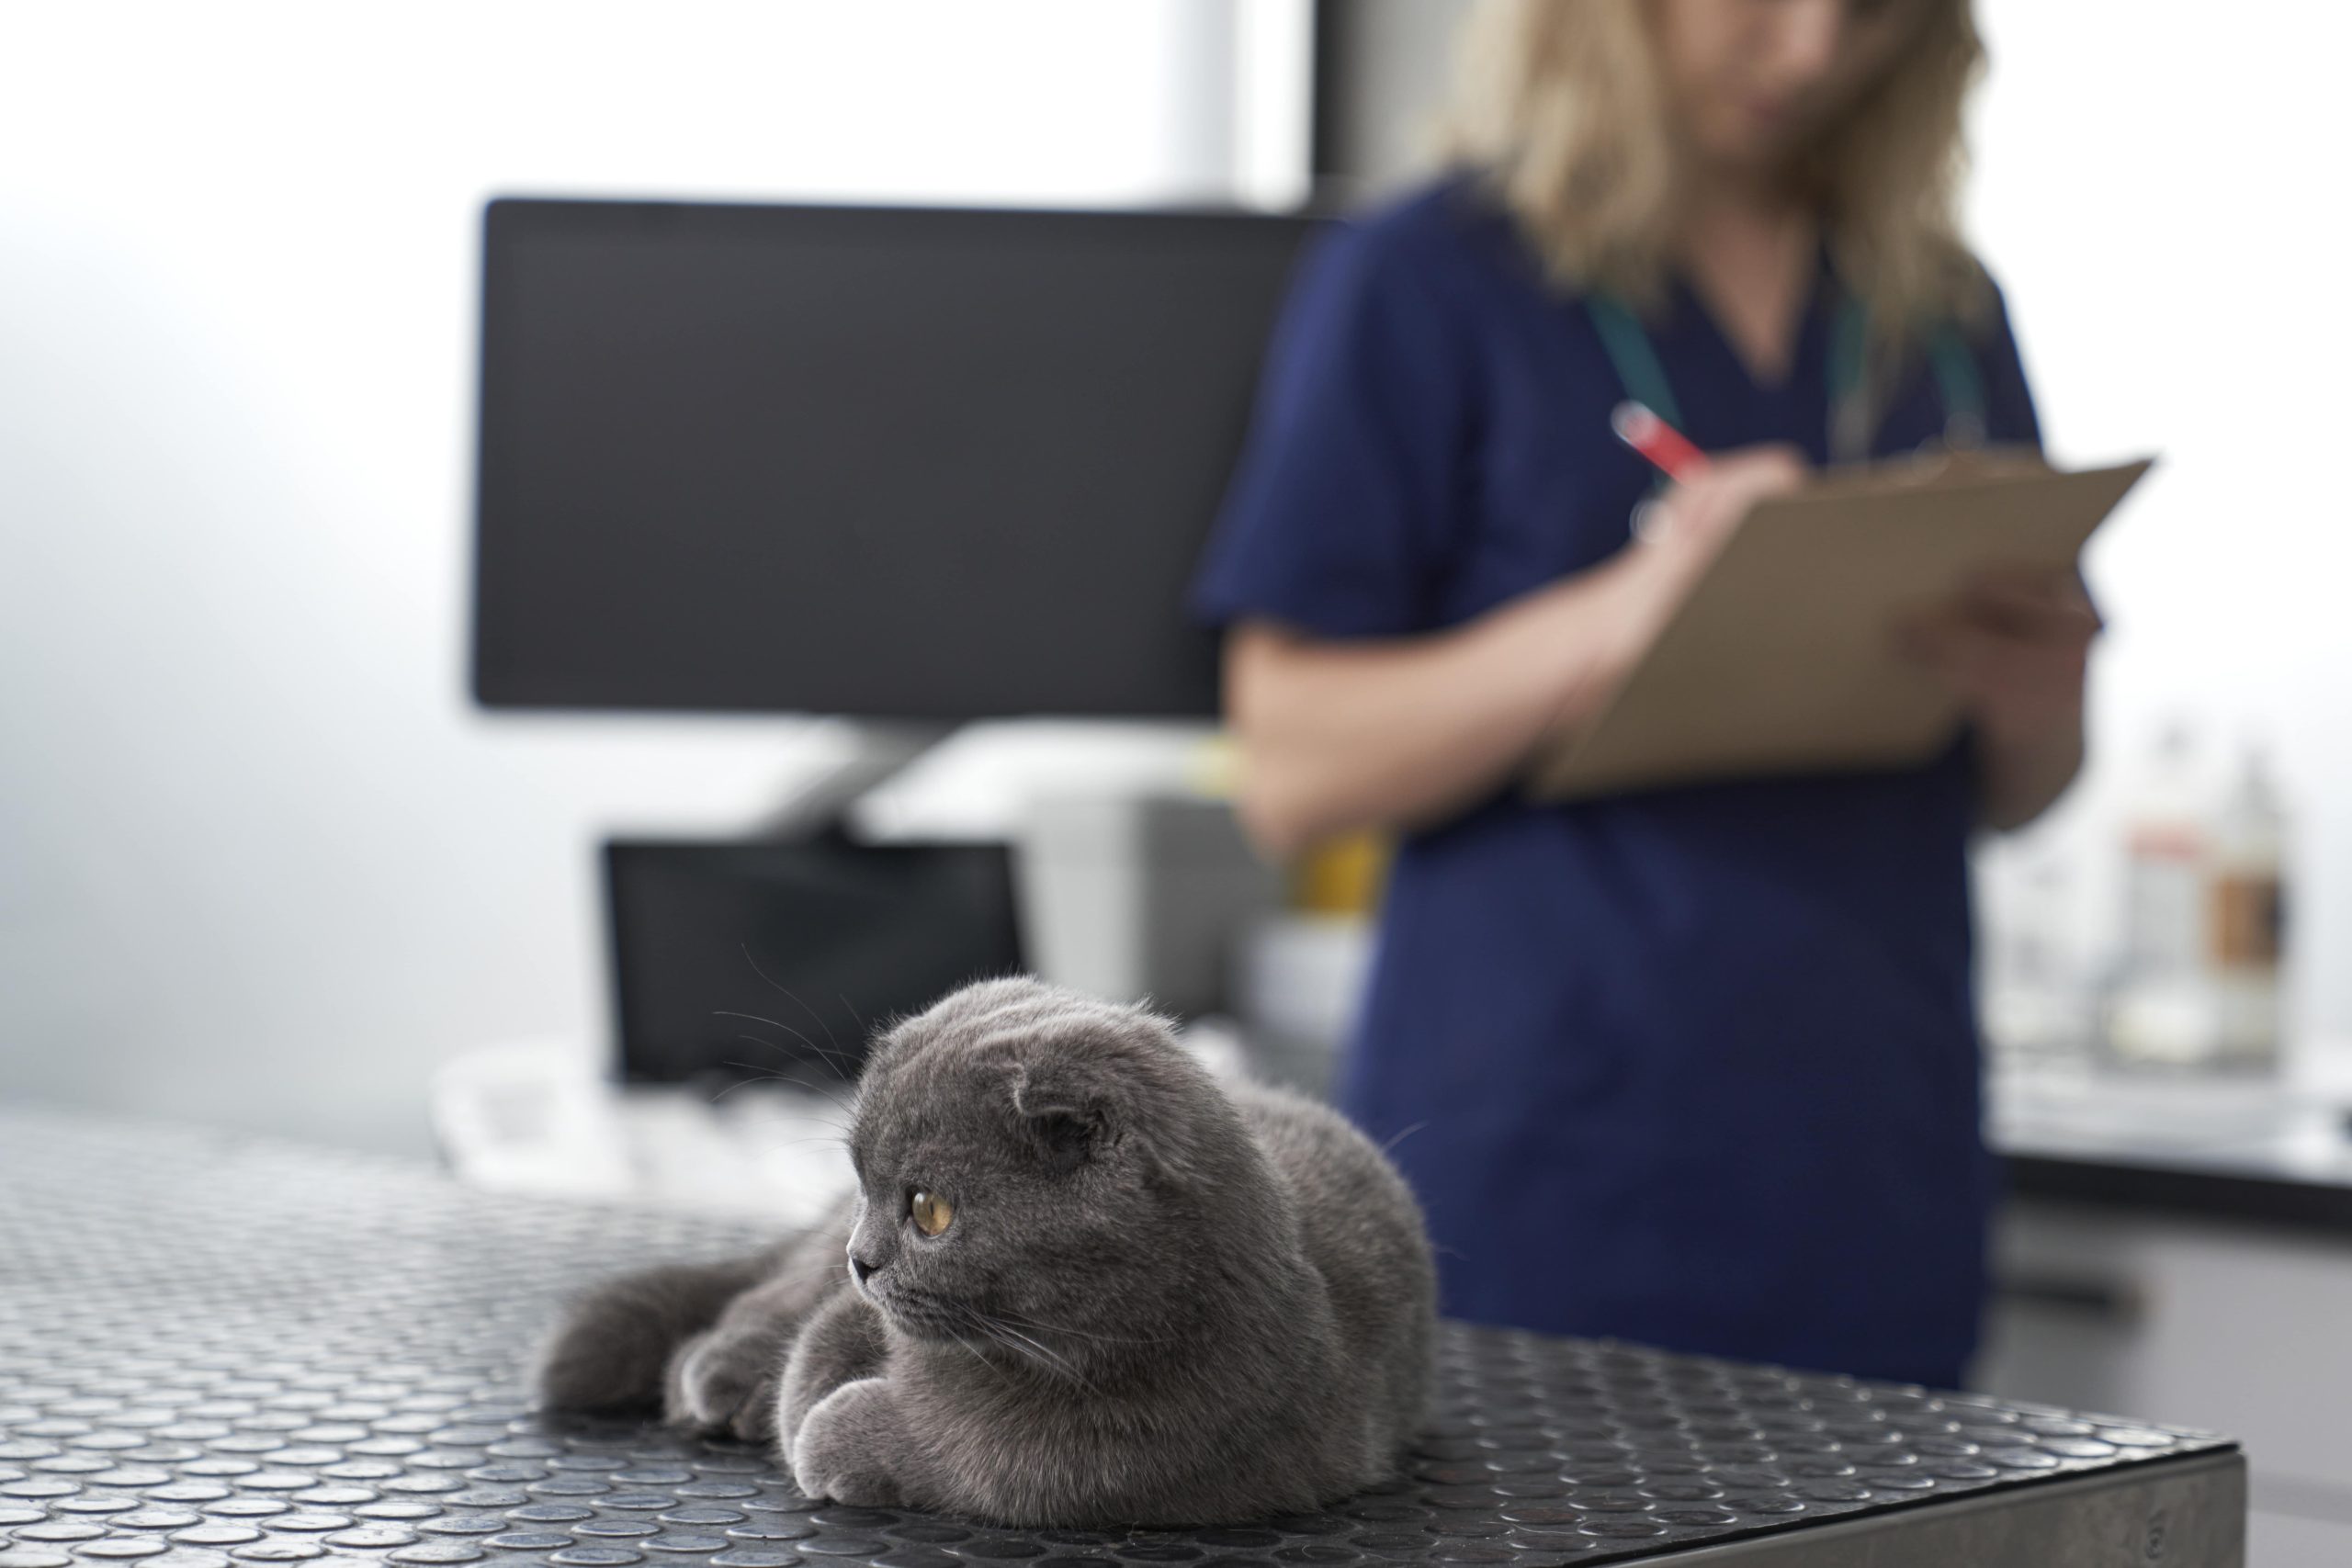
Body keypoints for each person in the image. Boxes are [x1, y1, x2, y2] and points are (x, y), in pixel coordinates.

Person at [1190, 0, 2101, 1390]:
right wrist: (1623, 616)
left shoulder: (1946, 313)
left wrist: (2041, 695)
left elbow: (2018, 787)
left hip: (1869, 1181)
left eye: (1863, 13)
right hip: (1543, 1183)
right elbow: (1295, 771)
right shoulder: (1427, 279)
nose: (1807, 52)